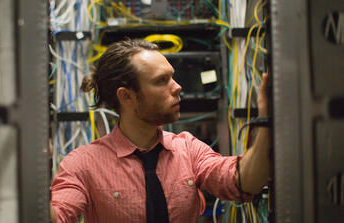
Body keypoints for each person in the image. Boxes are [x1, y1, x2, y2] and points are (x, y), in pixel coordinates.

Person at [50, 39, 270, 223]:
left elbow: (245, 182)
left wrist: (266, 121)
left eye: (171, 77)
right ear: (126, 96)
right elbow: (57, 217)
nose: (177, 87)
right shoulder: (83, 164)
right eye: (161, 81)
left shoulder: (188, 150)